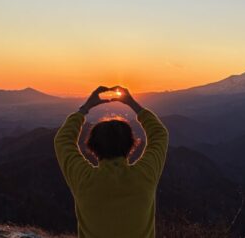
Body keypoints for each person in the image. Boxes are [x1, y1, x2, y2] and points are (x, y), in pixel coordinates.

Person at [54, 85, 169, 238]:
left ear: (92, 147)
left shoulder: (84, 179)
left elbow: (62, 140)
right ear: (131, 145)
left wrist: (85, 108)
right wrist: (133, 104)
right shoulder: (144, 175)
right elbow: (160, 134)